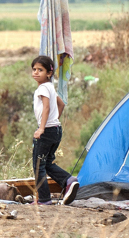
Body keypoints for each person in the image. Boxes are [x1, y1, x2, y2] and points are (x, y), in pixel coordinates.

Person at [30, 55, 79, 205]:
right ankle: (68, 180)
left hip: (47, 131)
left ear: (49, 73)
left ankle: (44, 199)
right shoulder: (50, 87)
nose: (36, 73)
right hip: (56, 129)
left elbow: (46, 108)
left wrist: (42, 128)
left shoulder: (43, 88)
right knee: (48, 162)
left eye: (40, 70)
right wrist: (54, 120)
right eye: (34, 69)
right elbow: (61, 104)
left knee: (38, 166)